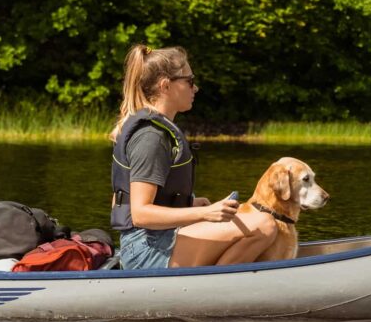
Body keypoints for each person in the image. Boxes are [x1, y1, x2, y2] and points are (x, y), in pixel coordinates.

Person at [110, 45, 277, 269]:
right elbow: (140, 214)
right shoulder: (151, 137)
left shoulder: (156, 131)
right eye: (189, 81)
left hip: (156, 240)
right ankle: (215, 292)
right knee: (264, 225)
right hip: (145, 251)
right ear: (165, 85)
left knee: (259, 222)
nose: (196, 88)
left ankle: (218, 283)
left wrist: (190, 205)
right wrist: (204, 213)